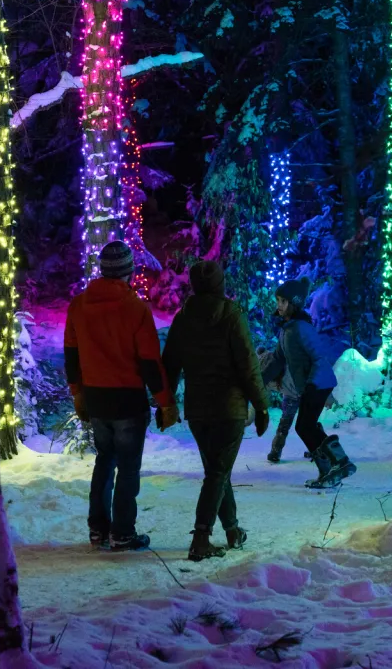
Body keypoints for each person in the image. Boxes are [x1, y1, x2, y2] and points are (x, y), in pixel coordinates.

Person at [64, 241, 179, 552]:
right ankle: (123, 532)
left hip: (97, 400)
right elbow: (149, 362)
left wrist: (78, 394)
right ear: (129, 272)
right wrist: (165, 401)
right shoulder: (135, 308)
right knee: (128, 468)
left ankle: (98, 529)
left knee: (104, 461)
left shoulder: (78, 305)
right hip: (128, 400)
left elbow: (71, 355)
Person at [162, 260, 270, 562]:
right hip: (229, 408)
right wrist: (261, 406)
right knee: (218, 473)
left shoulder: (183, 319)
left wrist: (166, 403)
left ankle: (232, 530)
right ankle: (200, 538)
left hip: (199, 411)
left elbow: (169, 365)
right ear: (221, 284)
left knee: (217, 471)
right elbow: (248, 366)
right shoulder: (232, 315)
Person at [261, 278, 357, 488]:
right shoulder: (287, 329)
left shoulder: (302, 328)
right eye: (277, 300)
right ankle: (330, 467)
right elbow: (277, 359)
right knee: (306, 426)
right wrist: (259, 381)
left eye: (283, 301)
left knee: (304, 426)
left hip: (318, 383)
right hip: (312, 385)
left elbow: (319, 357)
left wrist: (312, 384)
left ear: (293, 303)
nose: (278, 304)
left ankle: (340, 463)